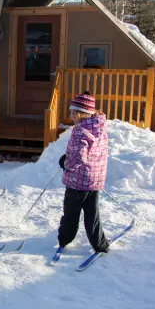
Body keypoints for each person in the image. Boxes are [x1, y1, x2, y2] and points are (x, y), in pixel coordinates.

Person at [56, 92, 111, 254]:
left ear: (82, 113)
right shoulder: (98, 126)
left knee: (71, 213)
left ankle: (64, 238)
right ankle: (100, 243)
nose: (70, 115)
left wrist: (66, 163)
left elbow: (78, 157)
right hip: (94, 179)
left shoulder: (80, 130)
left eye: (73, 112)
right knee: (92, 214)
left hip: (77, 181)